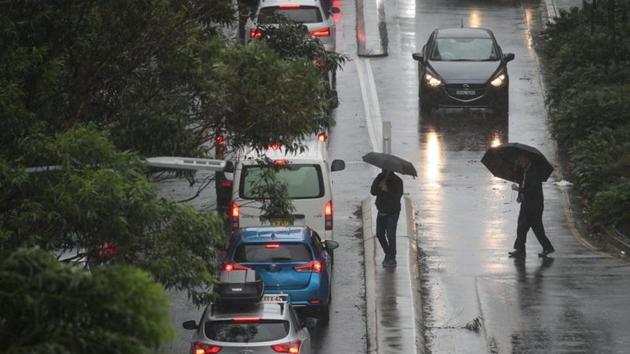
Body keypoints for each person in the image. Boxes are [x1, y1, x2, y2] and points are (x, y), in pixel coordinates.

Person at [508, 155, 555, 258]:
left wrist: (519, 190)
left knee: (534, 227)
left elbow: (532, 190)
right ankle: (521, 249)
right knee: (523, 226)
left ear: (527, 160)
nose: (521, 163)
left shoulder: (534, 172)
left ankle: (546, 247)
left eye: (522, 161)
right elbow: (522, 183)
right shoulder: (523, 171)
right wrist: (520, 195)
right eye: (519, 161)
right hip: (526, 203)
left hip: (535, 204)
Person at [370, 169, 404, 267]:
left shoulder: (397, 181)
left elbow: (397, 196)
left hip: (393, 212)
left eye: (386, 170)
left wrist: (387, 190)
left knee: (390, 235)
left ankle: (392, 258)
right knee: (379, 234)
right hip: (381, 211)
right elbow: (373, 192)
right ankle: (388, 253)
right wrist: (379, 187)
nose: (384, 171)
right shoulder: (379, 177)